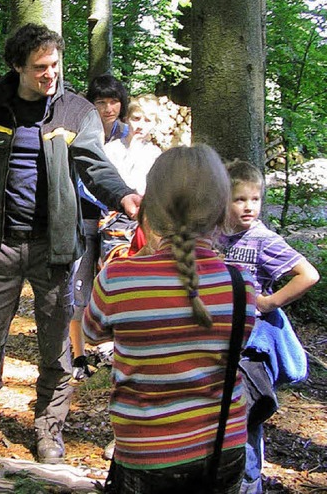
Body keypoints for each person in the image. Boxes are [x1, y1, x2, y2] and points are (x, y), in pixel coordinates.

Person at [0, 23, 141, 464]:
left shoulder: (76, 111)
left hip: (57, 246)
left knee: (56, 347)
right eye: (40, 67)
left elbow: (94, 164)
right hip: (0, 243)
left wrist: (124, 194)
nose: (50, 74)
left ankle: (48, 430)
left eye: (55, 64)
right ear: (17, 66)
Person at [84, 144, 257, 494]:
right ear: (222, 209)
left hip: (148, 452)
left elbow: (91, 332)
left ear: (151, 208)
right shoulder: (241, 284)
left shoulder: (119, 277)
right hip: (225, 446)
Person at [217, 161, 320, 494]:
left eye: (255, 199)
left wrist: (269, 302)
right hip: (216, 342)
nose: (249, 207)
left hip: (251, 347)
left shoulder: (262, 239)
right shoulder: (211, 232)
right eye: (239, 199)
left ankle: (249, 483)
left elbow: (308, 274)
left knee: (244, 414)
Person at [69, 74, 130, 381]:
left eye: (114, 101)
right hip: (83, 218)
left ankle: (118, 351)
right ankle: (77, 355)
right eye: (101, 102)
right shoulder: (80, 131)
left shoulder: (130, 134)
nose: (108, 109)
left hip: (120, 224)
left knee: (116, 286)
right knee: (78, 285)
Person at [99, 94, 162, 265]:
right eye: (137, 118)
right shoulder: (112, 149)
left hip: (142, 219)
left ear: (155, 124)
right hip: (114, 217)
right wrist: (132, 149)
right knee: (114, 264)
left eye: (148, 121)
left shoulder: (155, 154)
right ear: (127, 118)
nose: (141, 125)